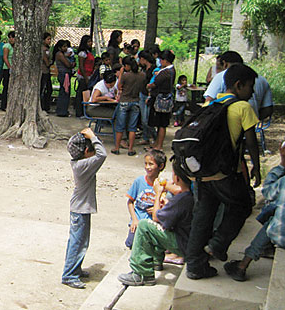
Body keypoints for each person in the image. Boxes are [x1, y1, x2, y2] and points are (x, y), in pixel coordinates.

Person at [185, 64, 261, 280]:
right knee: (243, 204)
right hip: (225, 172)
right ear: (239, 85)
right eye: (250, 86)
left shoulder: (213, 103)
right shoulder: (243, 108)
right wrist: (255, 166)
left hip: (203, 172)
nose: (252, 92)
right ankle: (218, 244)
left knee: (203, 216)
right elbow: (251, 142)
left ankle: (195, 266)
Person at [118, 161, 194, 286]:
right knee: (162, 226)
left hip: (183, 244)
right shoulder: (190, 196)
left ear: (177, 178)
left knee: (145, 226)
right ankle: (156, 261)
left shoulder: (182, 199)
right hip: (190, 241)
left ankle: (142, 273)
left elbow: (156, 217)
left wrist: (158, 194)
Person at [224, 141, 285, 282]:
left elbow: (267, 191)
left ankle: (243, 265)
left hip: (279, 234)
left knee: (274, 220)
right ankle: (264, 250)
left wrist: (282, 164)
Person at [62, 127, 108, 289]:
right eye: (92, 149)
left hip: (81, 208)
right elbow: (102, 154)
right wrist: (93, 136)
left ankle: (75, 269)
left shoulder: (80, 162)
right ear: (87, 151)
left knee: (81, 242)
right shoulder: (84, 165)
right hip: (80, 210)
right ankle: (69, 274)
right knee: (78, 242)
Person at [204, 51, 273, 120]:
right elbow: (267, 109)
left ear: (225, 64)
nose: (252, 92)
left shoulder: (221, 76)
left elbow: (208, 102)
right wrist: (253, 119)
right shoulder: (261, 79)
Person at [125, 151, 166, 247]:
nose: (147, 167)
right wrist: (134, 220)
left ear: (160, 166)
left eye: (151, 164)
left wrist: (158, 209)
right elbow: (130, 202)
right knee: (131, 244)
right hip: (138, 221)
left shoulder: (163, 185)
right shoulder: (139, 181)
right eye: (146, 164)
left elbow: (166, 204)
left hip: (153, 224)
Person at [114, 56, 146, 155]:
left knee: (120, 126)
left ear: (127, 66)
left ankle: (117, 148)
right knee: (132, 127)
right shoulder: (142, 75)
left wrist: (121, 74)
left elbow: (119, 87)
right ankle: (131, 149)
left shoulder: (126, 76)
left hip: (124, 101)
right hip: (135, 101)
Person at [147, 50, 176, 153]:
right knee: (161, 123)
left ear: (165, 60)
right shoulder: (172, 71)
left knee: (161, 124)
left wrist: (149, 86)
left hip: (160, 99)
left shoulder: (165, 72)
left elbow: (155, 83)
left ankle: (159, 145)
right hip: (166, 98)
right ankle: (157, 143)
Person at [137, 51, 156, 147]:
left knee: (146, 118)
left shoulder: (153, 69)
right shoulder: (144, 69)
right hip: (142, 93)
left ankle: (153, 137)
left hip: (148, 95)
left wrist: (149, 95)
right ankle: (146, 137)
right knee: (143, 117)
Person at [74, 35, 95, 118]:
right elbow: (81, 66)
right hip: (83, 76)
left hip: (89, 75)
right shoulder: (82, 53)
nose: (90, 43)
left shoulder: (89, 52)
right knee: (81, 94)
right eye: (89, 41)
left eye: (91, 41)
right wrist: (86, 77)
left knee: (86, 94)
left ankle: (84, 111)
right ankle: (79, 112)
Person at [53, 38, 74, 117]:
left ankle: (63, 110)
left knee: (65, 92)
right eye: (64, 46)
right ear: (60, 48)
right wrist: (71, 64)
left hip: (65, 74)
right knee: (64, 93)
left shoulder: (63, 54)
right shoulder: (60, 54)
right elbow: (68, 64)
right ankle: (62, 111)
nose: (66, 48)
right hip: (64, 74)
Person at [0, 31, 15, 111]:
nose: (11, 39)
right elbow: (5, 58)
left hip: (15, 69)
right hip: (7, 69)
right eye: (10, 37)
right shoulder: (7, 46)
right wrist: (10, 67)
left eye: (13, 37)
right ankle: (4, 105)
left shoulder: (17, 46)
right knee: (6, 87)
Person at [39, 33, 53, 112]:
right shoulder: (43, 49)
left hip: (47, 71)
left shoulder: (48, 49)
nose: (49, 41)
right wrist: (49, 63)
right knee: (42, 89)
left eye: (50, 39)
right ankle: (42, 106)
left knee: (48, 89)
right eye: (48, 39)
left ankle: (46, 105)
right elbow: (46, 62)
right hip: (43, 71)